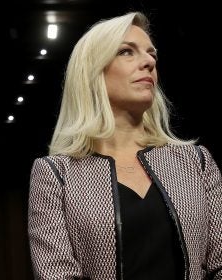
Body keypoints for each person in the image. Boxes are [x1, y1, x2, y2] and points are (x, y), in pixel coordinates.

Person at [27, 11, 222, 280]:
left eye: (152, 53)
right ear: (92, 71)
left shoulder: (196, 162)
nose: (149, 62)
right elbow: (55, 275)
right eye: (127, 52)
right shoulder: (56, 174)